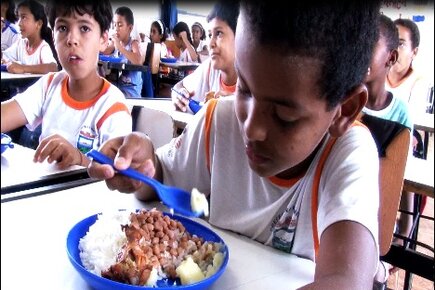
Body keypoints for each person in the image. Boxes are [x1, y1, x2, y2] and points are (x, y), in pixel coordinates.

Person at [89, 1, 382, 289]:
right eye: (244, 88)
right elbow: (162, 181)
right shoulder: (221, 119)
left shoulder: (349, 153)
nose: (251, 128)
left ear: (344, 110)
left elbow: (347, 280)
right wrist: (143, 167)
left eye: (284, 115)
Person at [0, 0, 132, 169]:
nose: (71, 40)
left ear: (103, 39)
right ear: (53, 36)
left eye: (84, 28)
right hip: (45, 188)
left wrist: (79, 158)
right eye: (62, 28)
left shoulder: (113, 106)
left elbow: (117, 173)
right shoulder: (49, 85)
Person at [362, 14, 413, 283]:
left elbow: (398, 172)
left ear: (390, 58)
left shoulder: (400, 113)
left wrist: (403, 231)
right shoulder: (344, 101)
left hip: (378, 212)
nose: (359, 51)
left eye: (369, 44)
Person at [171, 1, 238, 113]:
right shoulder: (210, 68)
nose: (211, 43)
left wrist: (235, 103)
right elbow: (179, 86)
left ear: (239, 36)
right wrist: (178, 96)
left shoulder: (253, 78)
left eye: (219, 33)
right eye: (210, 35)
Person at [1, 0, 58, 74]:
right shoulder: (21, 44)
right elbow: (3, 55)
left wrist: (23, 68)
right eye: (19, 18)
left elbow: (53, 67)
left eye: (24, 17)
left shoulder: (43, 47)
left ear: (39, 24)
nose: (19, 23)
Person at [102, 6, 143, 99]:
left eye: (120, 25)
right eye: (114, 25)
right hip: (119, 89)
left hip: (132, 92)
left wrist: (120, 48)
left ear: (130, 28)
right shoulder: (115, 43)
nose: (116, 29)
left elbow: (138, 61)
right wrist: (103, 41)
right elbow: (105, 51)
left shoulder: (133, 43)